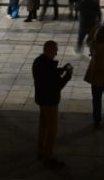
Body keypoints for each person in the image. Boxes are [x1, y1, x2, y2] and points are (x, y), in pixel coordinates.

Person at [32, 40, 73, 169]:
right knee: (52, 129)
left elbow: (49, 74)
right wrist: (67, 76)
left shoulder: (38, 61)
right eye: (55, 50)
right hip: (50, 101)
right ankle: (48, 156)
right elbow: (57, 85)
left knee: (43, 126)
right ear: (49, 50)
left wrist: (60, 70)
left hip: (41, 99)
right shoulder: (49, 66)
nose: (56, 53)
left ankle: (40, 151)